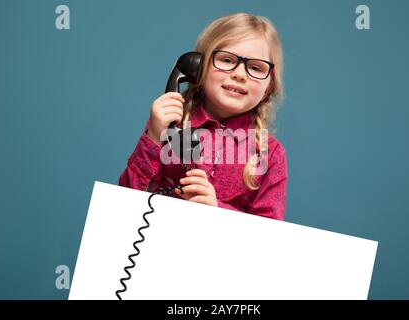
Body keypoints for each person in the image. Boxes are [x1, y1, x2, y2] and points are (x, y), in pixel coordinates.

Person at [119, 13, 287, 221]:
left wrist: (217, 210)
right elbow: (124, 202)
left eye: (255, 67)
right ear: (197, 67)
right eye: (227, 60)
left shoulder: (270, 154)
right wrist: (154, 137)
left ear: (269, 86)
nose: (240, 74)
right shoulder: (171, 125)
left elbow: (270, 235)